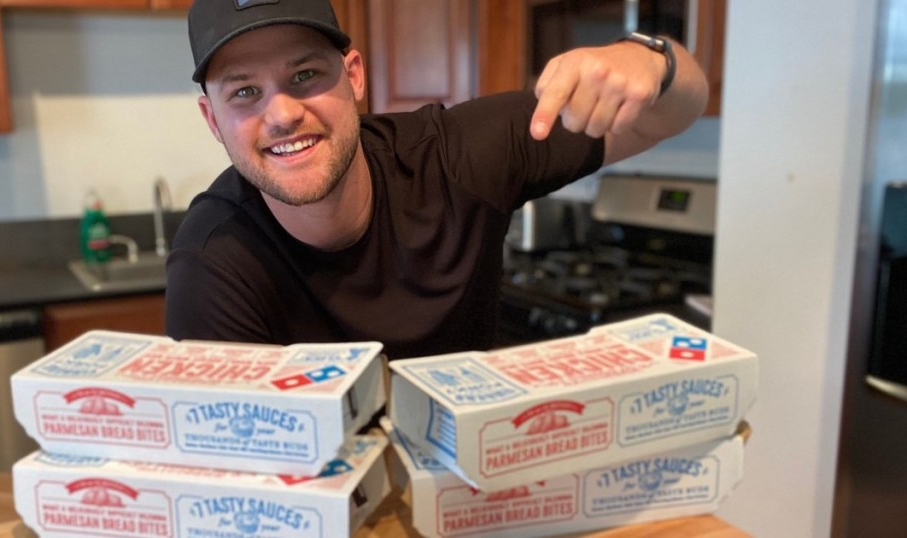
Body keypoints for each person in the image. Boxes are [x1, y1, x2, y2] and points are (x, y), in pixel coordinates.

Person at [166, 0, 709, 361]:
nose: (282, 114)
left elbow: (671, 114)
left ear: (353, 76)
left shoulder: (458, 157)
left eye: (305, 75)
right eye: (244, 93)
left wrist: (651, 59)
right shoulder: (213, 260)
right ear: (213, 120)